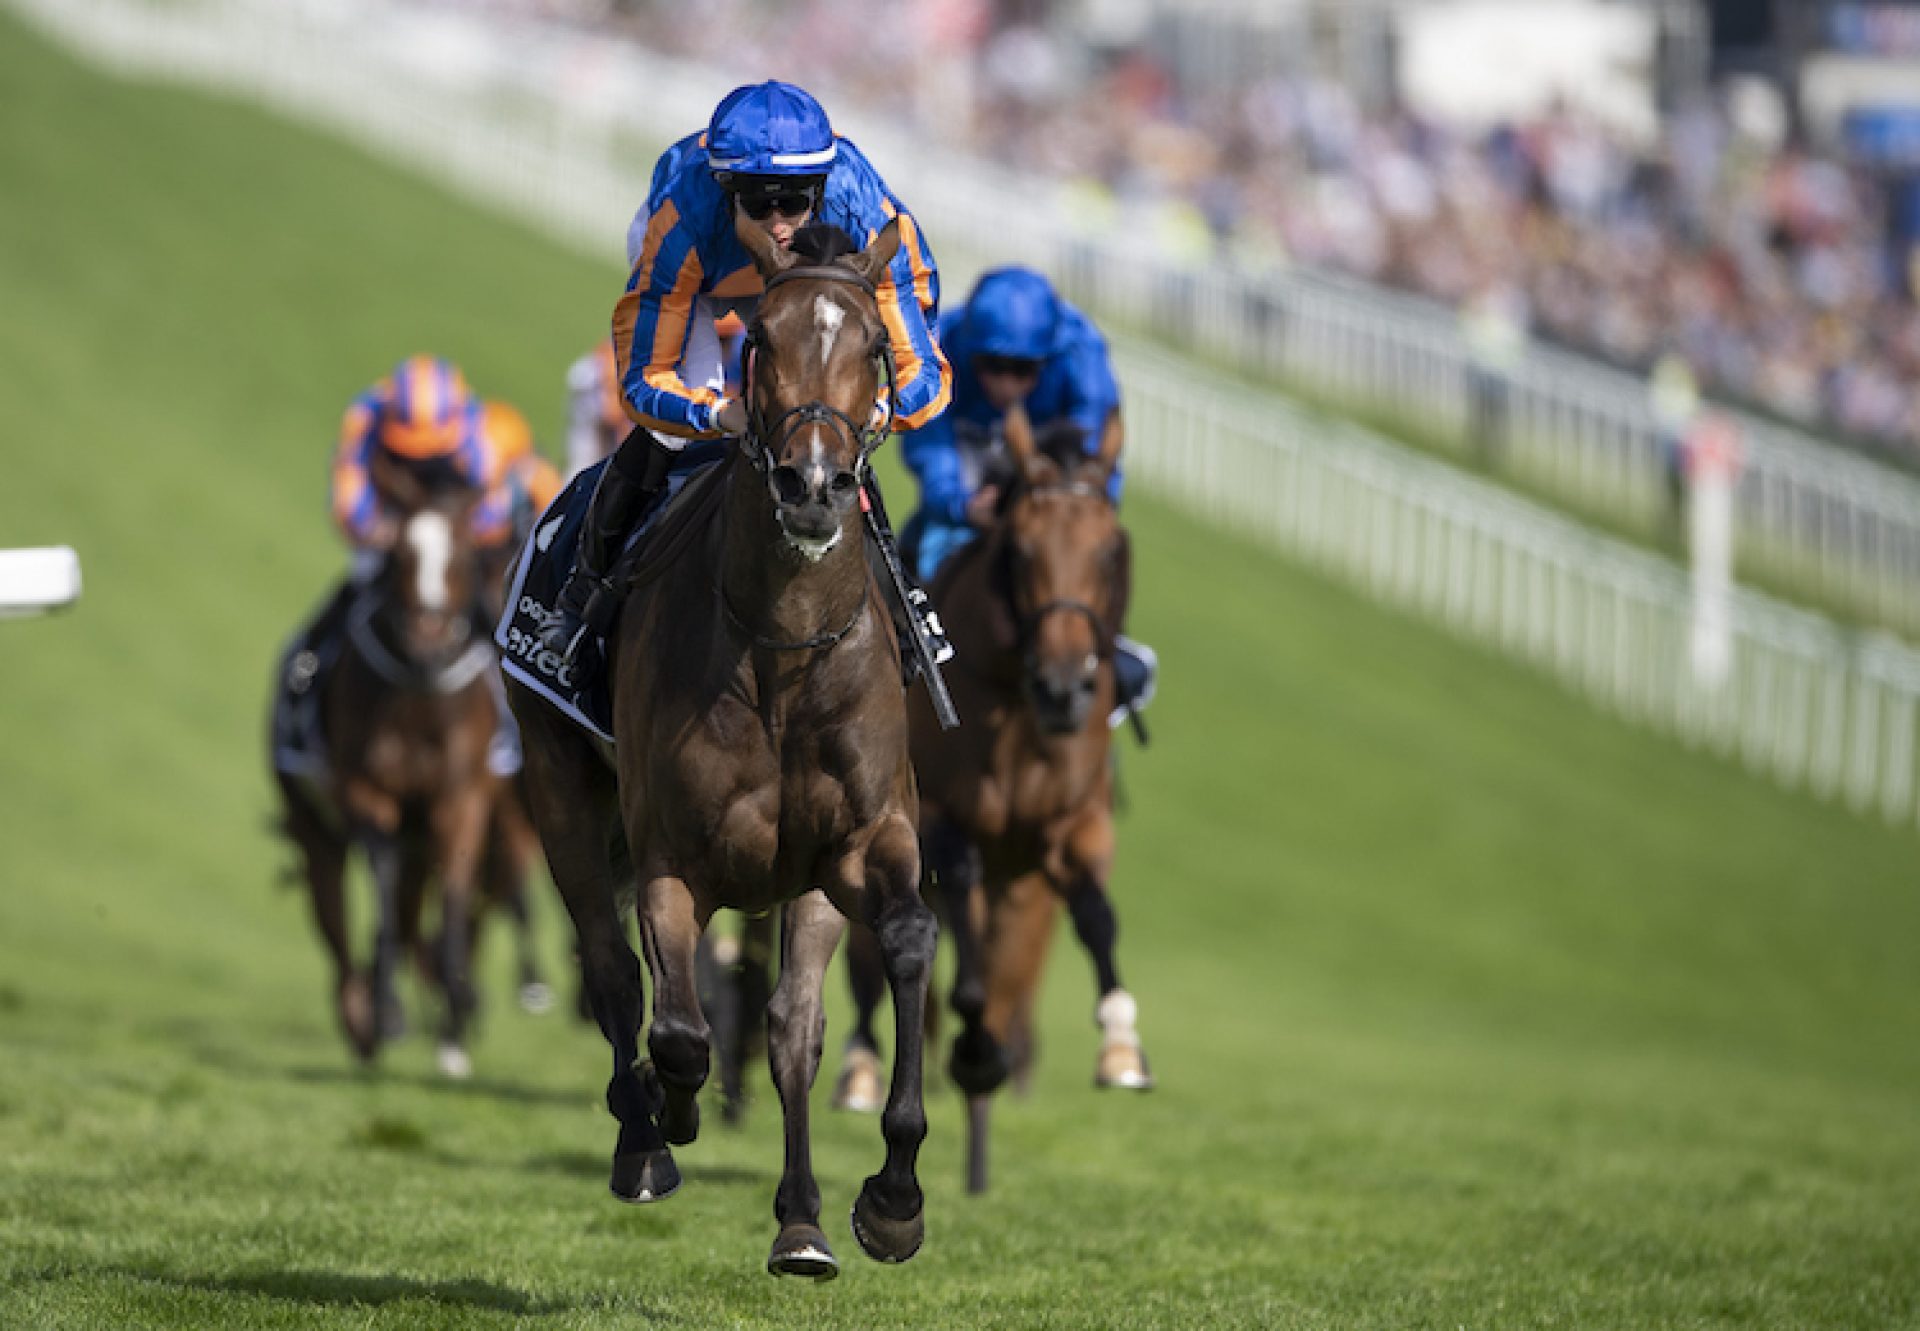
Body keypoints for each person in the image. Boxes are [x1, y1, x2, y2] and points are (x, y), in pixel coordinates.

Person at [540, 80, 953, 666]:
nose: (779, 223)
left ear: (822, 189)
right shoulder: (682, 221)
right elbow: (641, 381)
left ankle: (906, 604)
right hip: (704, 285)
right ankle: (583, 595)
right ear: (726, 188)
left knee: (830, 424)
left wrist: (873, 413)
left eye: (794, 202)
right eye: (760, 204)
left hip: (816, 282)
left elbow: (925, 372)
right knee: (672, 433)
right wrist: (717, 412)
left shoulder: (867, 215)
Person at [899, 266, 1156, 732]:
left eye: (1023, 370)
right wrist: (959, 505)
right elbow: (928, 439)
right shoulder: (941, 341)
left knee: (1089, 554)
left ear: (1049, 357)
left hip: (1053, 462)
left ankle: (1111, 650)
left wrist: (1074, 513)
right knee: (919, 548)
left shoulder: (1082, 354)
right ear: (971, 351)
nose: (1006, 385)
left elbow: (1098, 459)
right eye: (991, 367)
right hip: (968, 448)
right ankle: (895, 643)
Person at [284, 355, 504, 696]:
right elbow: (348, 495)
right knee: (360, 584)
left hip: (453, 525)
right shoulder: (366, 415)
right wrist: (378, 529)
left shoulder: (472, 417)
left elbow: (492, 499)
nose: (422, 458)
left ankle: (513, 687)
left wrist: (458, 533)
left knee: (488, 598)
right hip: (392, 523)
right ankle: (310, 662)